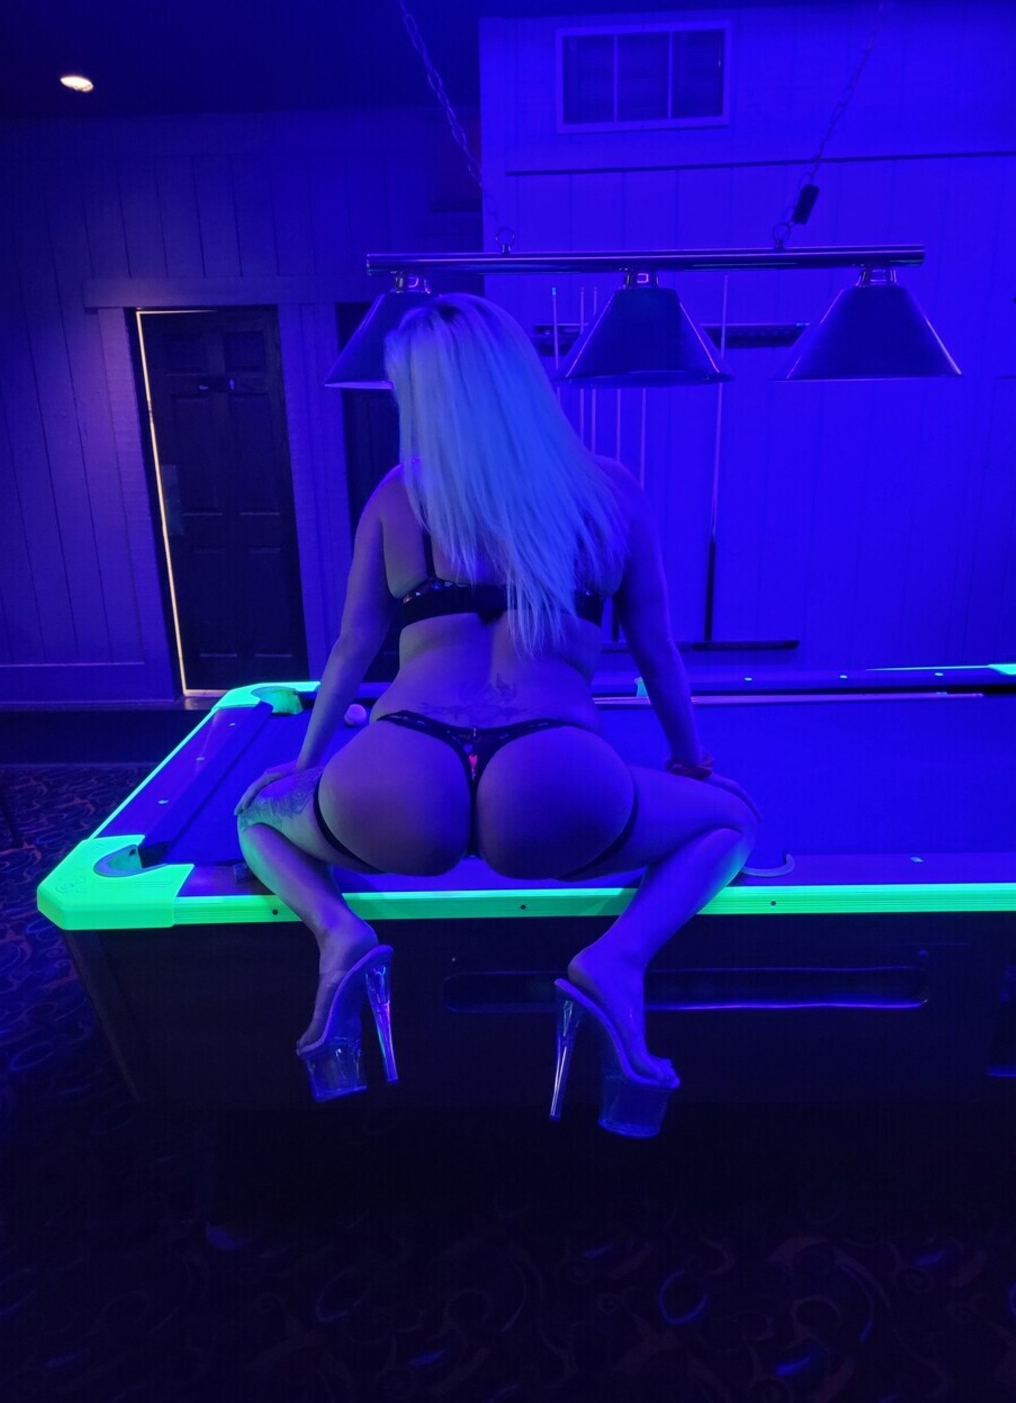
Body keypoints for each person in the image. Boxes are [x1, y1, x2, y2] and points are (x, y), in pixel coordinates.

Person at [235, 293, 760, 1134]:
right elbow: (658, 652)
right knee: (731, 822)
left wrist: (304, 766)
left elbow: (350, 650)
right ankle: (617, 963)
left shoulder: (397, 498)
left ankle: (336, 934)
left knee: (255, 817)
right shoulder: (608, 492)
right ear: (518, 379)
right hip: (552, 769)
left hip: (399, 764)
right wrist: (691, 760)